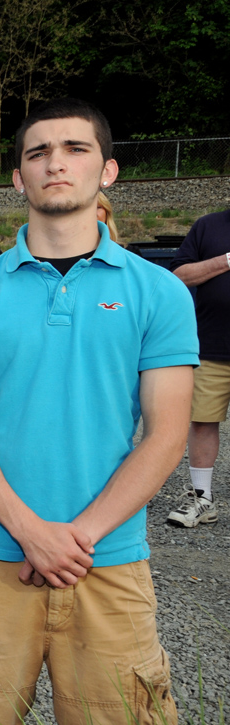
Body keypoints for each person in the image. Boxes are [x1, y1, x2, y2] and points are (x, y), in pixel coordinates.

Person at [0, 98, 195, 725]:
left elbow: (167, 433)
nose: (55, 162)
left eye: (75, 148)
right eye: (39, 151)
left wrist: (75, 537)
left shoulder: (159, 293)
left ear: (106, 169)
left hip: (110, 563)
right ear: (17, 176)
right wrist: (29, 533)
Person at [163, 207, 230, 527]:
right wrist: (226, 260)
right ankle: (203, 499)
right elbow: (178, 275)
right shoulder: (208, 226)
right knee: (203, 422)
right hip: (212, 346)